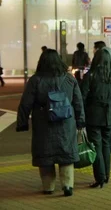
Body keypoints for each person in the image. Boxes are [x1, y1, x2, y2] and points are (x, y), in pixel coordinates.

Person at [16, 49, 85, 196]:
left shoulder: (36, 80)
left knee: (46, 156)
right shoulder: (69, 79)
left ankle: (48, 187)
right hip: (66, 123)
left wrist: (22, 123)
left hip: (43, 124)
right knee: (66, 155)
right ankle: (67, 186)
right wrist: (80, 121)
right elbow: (78, 103)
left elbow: (25, 103)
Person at [80, 49, 111, 188]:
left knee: (96, 146)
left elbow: (82, 97)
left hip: (93, 115)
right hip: (108, 114)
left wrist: (85, 112)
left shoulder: (90, 76)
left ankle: (100, 177)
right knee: (106, 145)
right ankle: (106, 176)